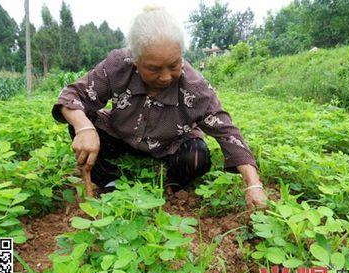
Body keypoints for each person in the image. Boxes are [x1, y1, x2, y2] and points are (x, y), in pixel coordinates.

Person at [51, 6, 267, 208]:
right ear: (135, 59)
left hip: (170, 144)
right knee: (82, 120)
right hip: (121, 135)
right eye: (153, 69)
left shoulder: (194, 87)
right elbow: (73, 95)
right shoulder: (118, 66)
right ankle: (110, 181)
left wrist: (253, 183)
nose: (165, 77)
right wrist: (84, 128)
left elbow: (227, 131)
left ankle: (173, 182)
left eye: (174, 66)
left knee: (196, 157)